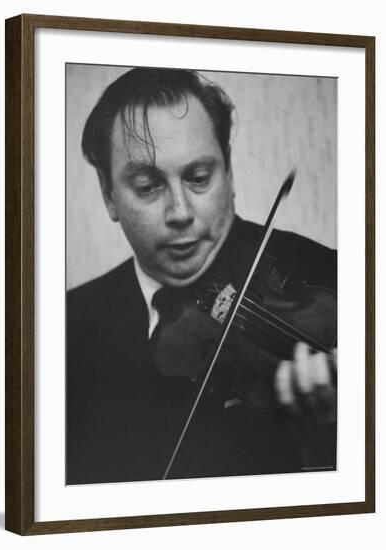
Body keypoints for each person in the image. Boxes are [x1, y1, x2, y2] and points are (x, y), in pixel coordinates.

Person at [66, 68, 337, 485]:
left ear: (228, 171)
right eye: (147, 186)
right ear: (108, 194)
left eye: (198, 178)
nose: (180, 212)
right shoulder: (67, 327)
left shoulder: (338, 280)